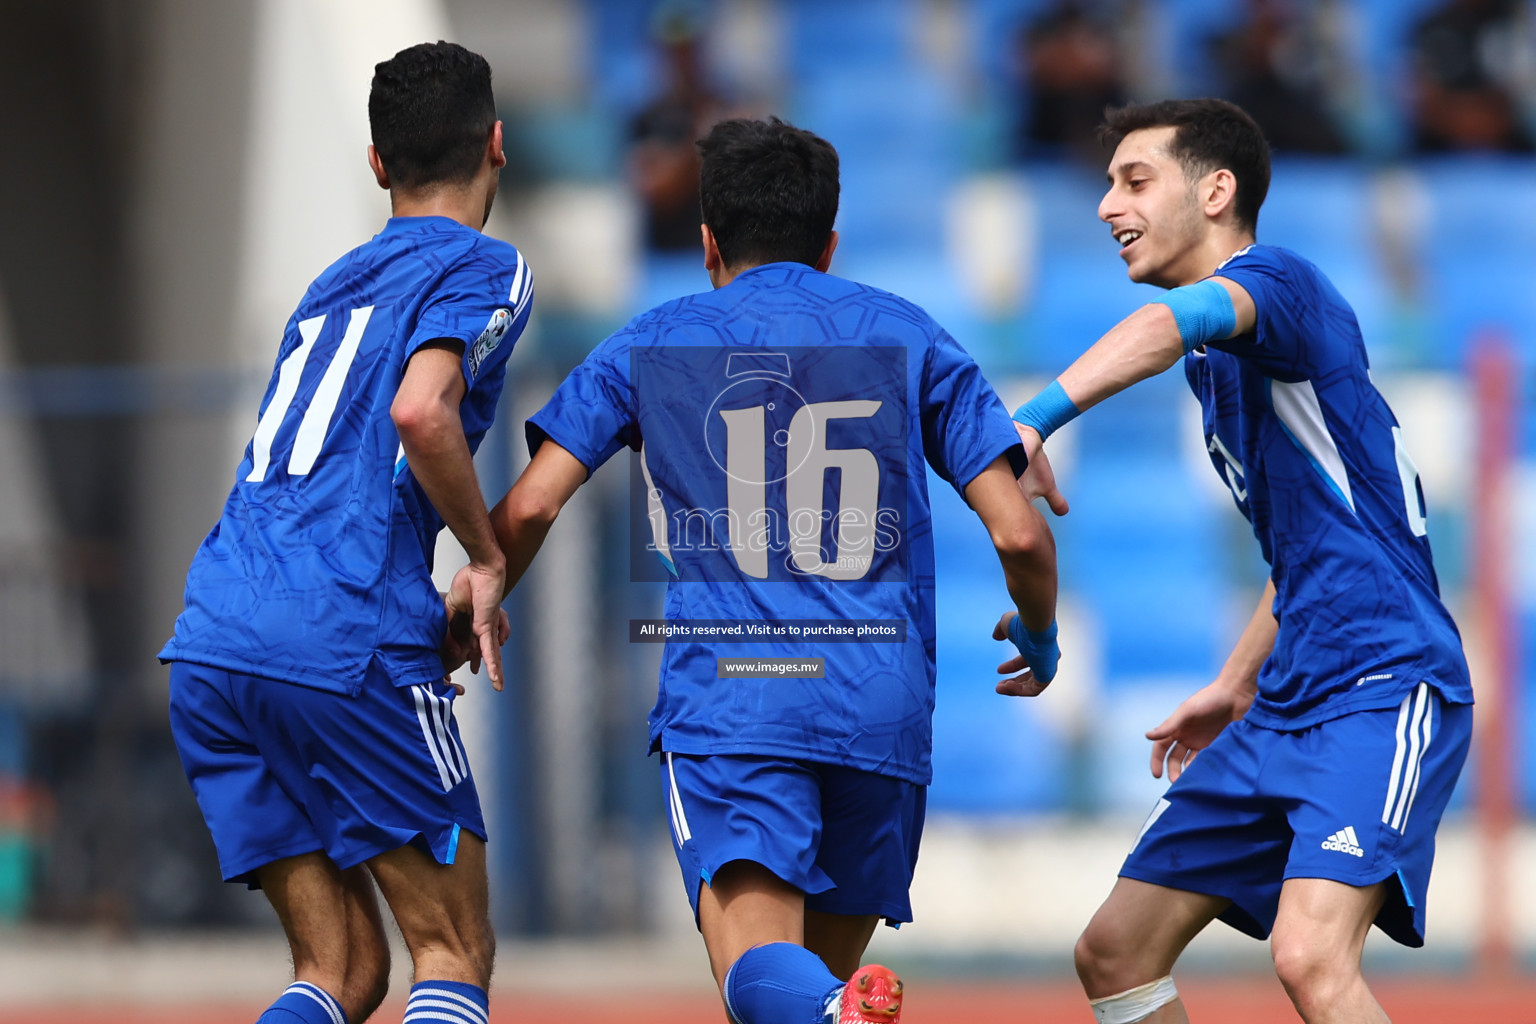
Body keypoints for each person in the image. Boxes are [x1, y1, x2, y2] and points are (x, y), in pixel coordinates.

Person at [456, 116, 1060, 1024]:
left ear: (706, 242)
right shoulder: (910, 334)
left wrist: (482, 578)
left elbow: (535, 503)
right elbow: (1019, 536)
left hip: (739, 700)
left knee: (772, 985)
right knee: (810, 996)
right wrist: (1041, 635)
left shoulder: (649, 339)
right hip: (879, 708)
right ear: (829, 243)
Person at [1009, 98, 1473, 1024]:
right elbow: (1303, 551)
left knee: (1311, 958)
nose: (1107, 204)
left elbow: (1163, 327)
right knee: (1114, 952)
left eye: (1134, 180)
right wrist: (1234, 680)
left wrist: (1032, 417)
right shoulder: (1216, 366)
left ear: (1216, 190)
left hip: (1386, 680)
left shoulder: (1281, 285)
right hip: (1289, 697)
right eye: (1108, 184)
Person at [159, 41, 529, 1024]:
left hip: (214, 642)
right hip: (342, 637)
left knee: (342, 971)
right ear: (498, 143)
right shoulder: (488, 263)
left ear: (377, 164)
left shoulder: (329, 285)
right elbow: (421, 410)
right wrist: (486, 557)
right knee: (453, 952)